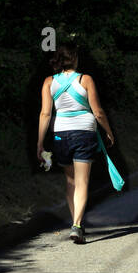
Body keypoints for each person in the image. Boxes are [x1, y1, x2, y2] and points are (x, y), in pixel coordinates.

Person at [37, 42, 115, 244]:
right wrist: (108, 131)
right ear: (75, 58)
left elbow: (45, 113)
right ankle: (77, 225)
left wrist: (39, 143)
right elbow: (98, 112)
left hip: (60, 134)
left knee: (70, 181)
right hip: (84, 133)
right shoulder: (85, 79)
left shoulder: (48, 82)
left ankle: (75, 222)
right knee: (82, 182)